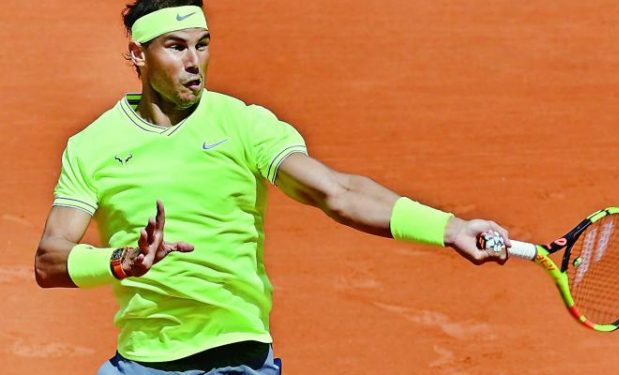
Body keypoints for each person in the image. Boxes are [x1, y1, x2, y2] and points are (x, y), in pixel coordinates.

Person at [33, 1, 511, 374]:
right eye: (176, 46)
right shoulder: (91, 146)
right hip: (140, 359)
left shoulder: (243, 124)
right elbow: (50, 259)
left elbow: (337, 193)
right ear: (138, 54)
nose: (194, 62)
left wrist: (449, 227)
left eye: (202, 44)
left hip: (235, 356)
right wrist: (122, 261)